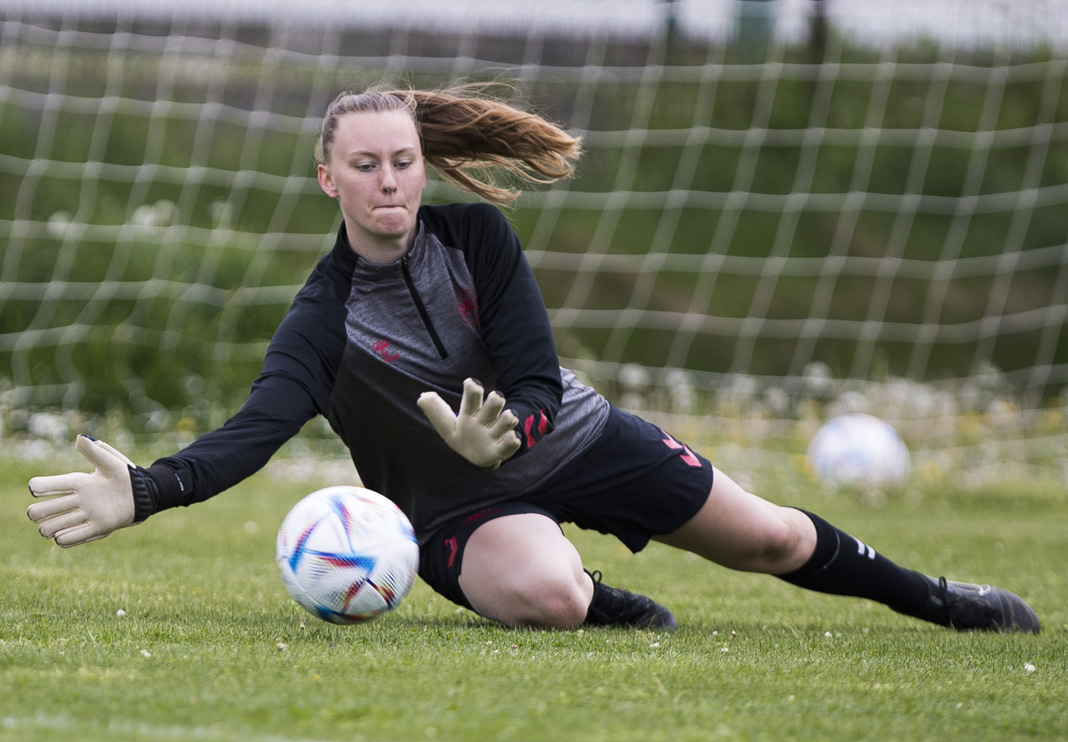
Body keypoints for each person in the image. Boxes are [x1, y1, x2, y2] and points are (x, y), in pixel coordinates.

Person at [26, 84, 1040, 634]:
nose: (390, 181)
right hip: (458, 510)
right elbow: (255, 430)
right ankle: (604, 604)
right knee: (551, 598)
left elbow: (535, 371)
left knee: (770, 537)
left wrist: (515, 429)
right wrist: (148, 488)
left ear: (424, 163)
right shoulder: (322, 319)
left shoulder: (478, 239)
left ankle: (940, 600)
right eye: (366, 165)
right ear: (329, 178)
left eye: (404, 161)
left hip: (576, 439)